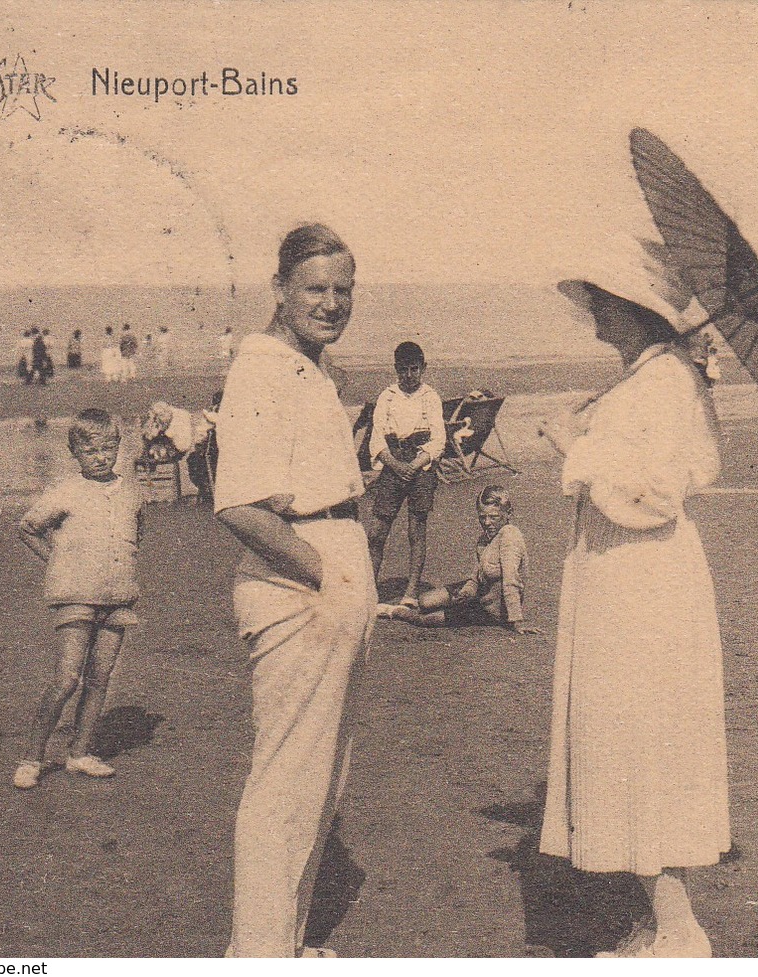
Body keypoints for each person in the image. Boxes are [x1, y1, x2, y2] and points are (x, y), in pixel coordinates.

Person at [537, 264, 727, 958]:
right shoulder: (653, 377)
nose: (593, 308)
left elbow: (653, 495)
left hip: (639, 581)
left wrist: (575, 448)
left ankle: (679, 929)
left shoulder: (664, 382)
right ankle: (661, 919)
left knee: (638, 738)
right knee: (632, 737)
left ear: (635, 311)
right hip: (625, 573)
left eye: (605, 299)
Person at [211, 224, 374, 958]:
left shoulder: (308, 367)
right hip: (298, 585)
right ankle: (258, 956)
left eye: (342, 289)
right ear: (279, 288)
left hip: (328, 571)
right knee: (285, 784)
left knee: (319, 782)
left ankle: (284, 941)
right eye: (316, 288)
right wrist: (324, 569)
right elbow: (238, 503)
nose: (332, 302)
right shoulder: (263, 367)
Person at [14, 409, 146, 789]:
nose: (101, 457)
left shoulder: (132, 489)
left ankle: (79, 753)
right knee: (67, 678)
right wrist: (58, 563)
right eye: (91, 452)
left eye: (108, 448)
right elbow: (28, 528)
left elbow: (136, 533)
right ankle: (32, 758)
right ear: (75, 453)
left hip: (118, 596)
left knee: (99, 679)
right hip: (75, 595)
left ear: (118, 447)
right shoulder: (66, 490)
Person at [375, 485, 541, 633]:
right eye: (482, 517)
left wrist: (517, 620)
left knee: (425, 620)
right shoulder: (484, 539)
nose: (487, 522)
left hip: (491, 608)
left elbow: (511, 581)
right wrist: (467, 591)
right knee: (425, 601)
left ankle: (394, 612)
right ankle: (451, 604)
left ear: (508, 514)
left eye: (494, 517)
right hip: (478, 593)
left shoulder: (510, 537)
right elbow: (476, 576)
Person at [365, 341, 446, 606]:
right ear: (395, 369)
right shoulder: (387, 396)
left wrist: (415, 464)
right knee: (377, 531)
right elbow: (376, 440)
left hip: (420, 465)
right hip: (393, 462)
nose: (408, 376)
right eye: (402, 370)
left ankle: (410, 592)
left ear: (423, 368)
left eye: (414, 369)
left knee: (416, 531)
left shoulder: (430, 396)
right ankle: (368, 590)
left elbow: (438, 440)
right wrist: (394, 464)